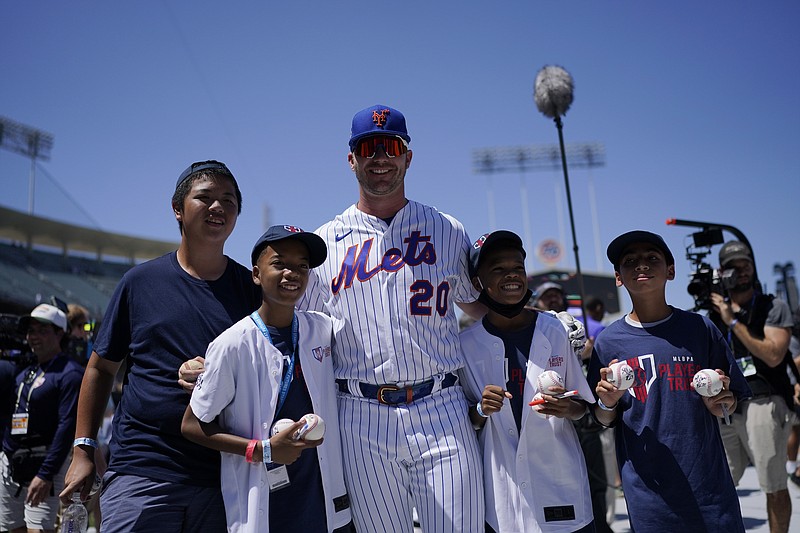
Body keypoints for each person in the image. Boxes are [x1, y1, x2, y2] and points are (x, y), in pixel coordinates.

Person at [298, 104, 485, 532]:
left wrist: (541, 321)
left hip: (442, 406)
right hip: (361, 414)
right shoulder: (325, 242)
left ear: (407, 156)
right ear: (352, 159)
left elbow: (478, 308)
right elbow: (296, 328)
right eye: (368, 148)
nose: (379, 157)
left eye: (389, 146)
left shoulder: (445, 228)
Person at [59, 160, 261, 533]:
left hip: (223, 476)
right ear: (178, 209)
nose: (218, 207)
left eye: (229, 200)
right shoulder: (139, 282)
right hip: (143, 468)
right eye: (205, 197)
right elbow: (101, 368)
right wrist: (83, 449)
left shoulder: (251, 291)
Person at [181, 225, 352, 533]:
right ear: (256, 274)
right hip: (265, 511)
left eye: (302, 265)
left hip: (323, 508)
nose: (293, 273)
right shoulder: (232, 343)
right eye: (280, 263)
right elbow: (192, 425)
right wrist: (263, 450)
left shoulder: (323, 330)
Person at [589, 230, 750, 532]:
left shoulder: (700, 328)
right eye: (630, 261)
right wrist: (606, 401)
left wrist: (722, 401)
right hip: (649, 495)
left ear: (671, 270)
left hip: (709, 489)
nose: (641, 265)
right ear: (618, 277)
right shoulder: (608, 342)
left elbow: (730, 402)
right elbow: (600, 418)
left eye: (652, 258)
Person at [458, 230, 596, 533]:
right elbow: (464, 420)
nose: (512, 275)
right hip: (500, 492)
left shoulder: (556, 330)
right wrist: (481, 409)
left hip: (558, 483)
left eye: (518, 268)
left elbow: (583, 408)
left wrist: (566, 408)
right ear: (478, 282)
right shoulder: (466, 344)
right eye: (498, 269)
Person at [709, 240, 796, 533]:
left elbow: (773, 354)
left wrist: (732, 321)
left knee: (773, 485)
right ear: (722, 273)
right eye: (733, 266)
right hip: (726, 406)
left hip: (763, 400)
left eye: (745, 264)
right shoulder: (712, 313)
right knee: (717, 484)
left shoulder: (773, 306)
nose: (741, 271)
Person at [534, 281, 611, 533]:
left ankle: (601, 526)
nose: (553, 299)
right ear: (538, 301)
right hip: (552, 424)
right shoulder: (535, 328)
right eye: (547, 296)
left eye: (557, 294)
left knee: (596, 482)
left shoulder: (580, 325)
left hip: (586, 420)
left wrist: (586, 352)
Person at [0, 304, 83, 533]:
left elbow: (67, 425)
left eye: (42, 330)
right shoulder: (25, 368)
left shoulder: (70, 373)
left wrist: (46, 473)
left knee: (38, 529)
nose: (34, 337)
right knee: (10, 527)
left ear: (60, 334)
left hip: (44, 464)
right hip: (11, 462)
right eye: (31, 331)